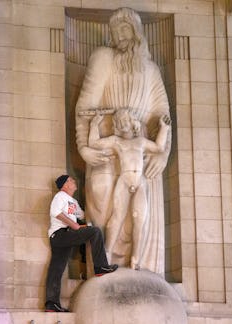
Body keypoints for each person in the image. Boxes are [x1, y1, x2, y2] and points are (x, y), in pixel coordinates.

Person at [75, 7, 171, 274]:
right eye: (115, 30)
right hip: (106, 140)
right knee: (104, 196)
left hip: (140, 153)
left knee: (140, 215)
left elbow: (163, 115)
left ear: (137, 33)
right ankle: (103, 263)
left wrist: (162, 153)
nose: (120, 35)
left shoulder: (150, 70)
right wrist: (84, 147)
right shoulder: (102, 58)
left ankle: (137, 263)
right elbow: (85, 106)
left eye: (125, 28)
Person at [88, 110, 171, 270]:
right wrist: (94, 124)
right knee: (117, 217)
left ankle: (135, 258)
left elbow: (159, 147)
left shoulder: (140, 141)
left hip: (139, 182)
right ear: (116, 125)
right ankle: (107, 254)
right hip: (124, 181)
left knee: (139, 220)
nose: (123, 123)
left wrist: (164, 128)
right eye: (119, 120)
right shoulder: (116, 141)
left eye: (125, 119)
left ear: (132, 121)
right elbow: (94, 143)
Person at [44, 175, 118, 312]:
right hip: (60, 234)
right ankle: (101, 267)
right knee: (95, 232)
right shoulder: (60, 196)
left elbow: (83, 216)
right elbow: (56, 212)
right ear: (65, 185)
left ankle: (51, 304)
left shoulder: (72, 201)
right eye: (71, 180)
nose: (74, 181)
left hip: (65, 236)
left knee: (57, 269)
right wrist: (75, 226)